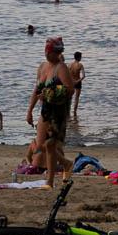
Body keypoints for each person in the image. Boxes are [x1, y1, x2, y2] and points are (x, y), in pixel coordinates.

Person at [27, 36, 74, 186]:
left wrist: (49, 93)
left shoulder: (61, 68)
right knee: (41, 145)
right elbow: (36, 89)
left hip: (58, 111)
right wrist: (29, 110)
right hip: (45, 110)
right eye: (46, 52)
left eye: (51, 53)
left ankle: (50, 181)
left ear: (57, 53)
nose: (48, 55)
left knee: (51, 144)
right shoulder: (42, 67)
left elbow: (70, 89)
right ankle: (66, 163)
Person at [68, 51, 86, 120]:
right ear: (79, 57)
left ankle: (68, 111)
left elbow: (68, 74)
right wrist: (77, 81)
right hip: (77, 82)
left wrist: (72, 81)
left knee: (69, 97)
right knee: (76, 98)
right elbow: (83, 76)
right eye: (80, 57)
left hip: (71, 82)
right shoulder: (80, 65)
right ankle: (75, 112)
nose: (81, 58)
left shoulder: (69, 65)